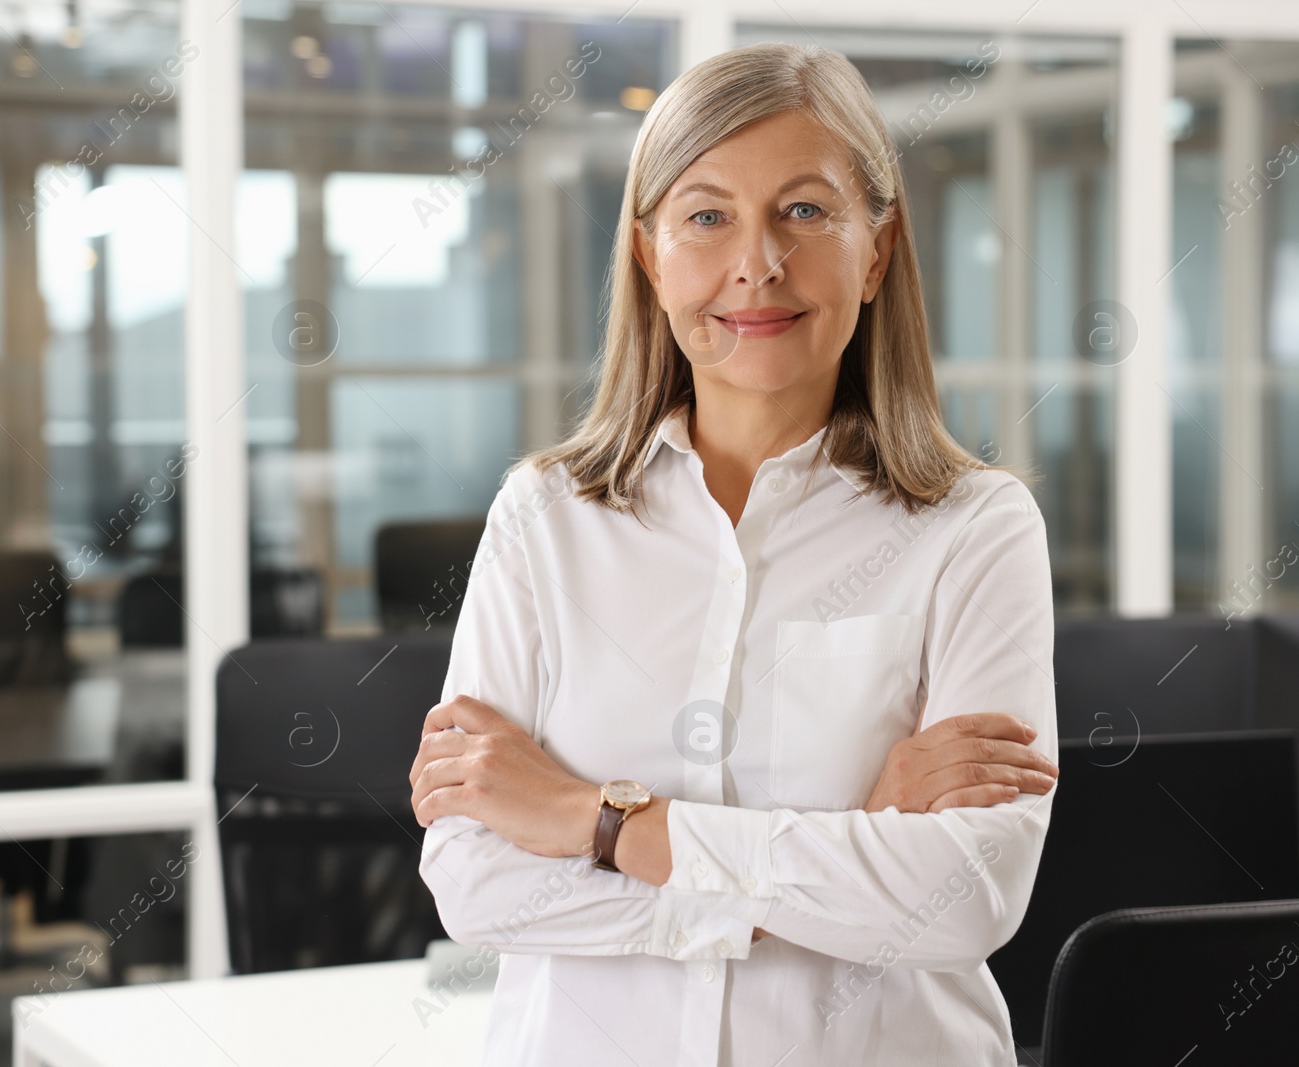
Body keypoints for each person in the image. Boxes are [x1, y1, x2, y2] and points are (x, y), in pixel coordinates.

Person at [408, 40, 1058, 1067]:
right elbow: (474, 882)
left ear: (877, 250)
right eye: (707, 215)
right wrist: (846, 838)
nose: (757, 261)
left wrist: (602, 822)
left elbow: (963, 896)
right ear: (649, 254)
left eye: (804, 211)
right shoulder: (543, 517)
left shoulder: (975, 527)